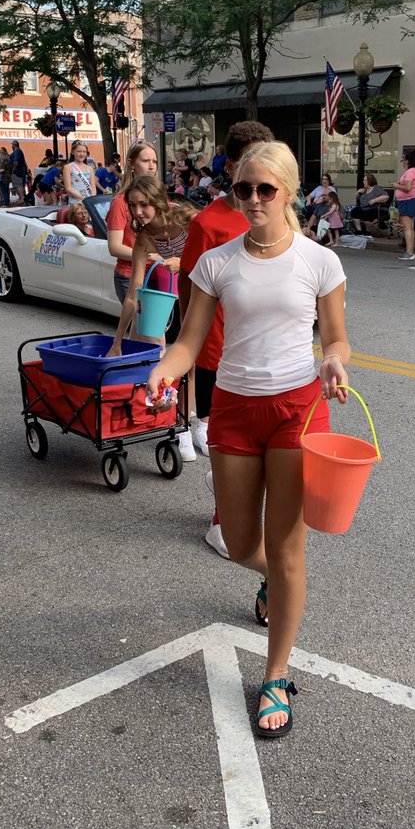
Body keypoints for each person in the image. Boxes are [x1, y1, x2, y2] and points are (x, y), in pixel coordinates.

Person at [146, 140, 350, 738]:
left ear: (288, 192)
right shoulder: (218, 262)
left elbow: (336, 337)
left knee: (288, 548)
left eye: (267, 189)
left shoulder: (319, 262)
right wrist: (165, 369)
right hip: (233, 408)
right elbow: (189, 340)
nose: (255, 199)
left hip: (298, 409)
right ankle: (277, 582)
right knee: (238, 543)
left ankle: (277, 674)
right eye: (244, 189)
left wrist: (335, 362)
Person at [178, 120, 274, 559]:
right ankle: (222, 521)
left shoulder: (276, 215)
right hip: (221, 353)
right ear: (233, 167)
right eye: (253, 164)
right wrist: (189, 352)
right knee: (230, 447)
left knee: (261, 451)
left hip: (267, 354)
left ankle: (241, 515)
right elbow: (189, 294)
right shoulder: (209, 223)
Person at [107, 173, 196, 461]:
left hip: (203, 292)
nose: (138, 212)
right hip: (175, 298)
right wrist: (117, 342)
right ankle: (179, 426)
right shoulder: (143, 238)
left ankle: (189, 426)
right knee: (174, 358)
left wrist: (181, 262)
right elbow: (133, 294)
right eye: (132, 206)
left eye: (144, 204)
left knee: (196, 364)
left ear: (158, 201)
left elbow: (216, 252)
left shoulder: (185, 218)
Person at [106, 142, 158, 304]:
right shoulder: (120, 202)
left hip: (159, 274)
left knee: (157, 329)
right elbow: (114, 247)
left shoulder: (159, 198)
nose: (151, 167)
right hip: (130, 275)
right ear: (131, 163)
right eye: (145, 161)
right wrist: (151, 257)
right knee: (142, 328)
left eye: (154, 162)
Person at [395, 149, 415, 261]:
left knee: (407, 228)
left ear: (408, 160)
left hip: (407, 201)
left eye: (403, 159)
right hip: (410, 200)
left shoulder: (410, 172)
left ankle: (409, 252)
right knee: (409, 227)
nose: (402, 161)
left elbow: (407, 188)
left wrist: (396, 185)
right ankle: (410, 251)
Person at [6, 140, 27, 207]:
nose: (11, 146)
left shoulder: (17, 151)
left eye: (12, 145)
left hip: (17, 171)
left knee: (18, 185)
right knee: (16, 185)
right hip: (18, 171)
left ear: (14, 145)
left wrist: (13, 169)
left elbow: (16, 161)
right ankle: (21, 198)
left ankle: (22, 198)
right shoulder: (17, 151)